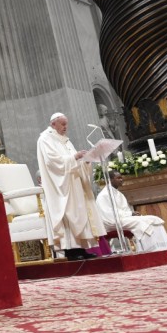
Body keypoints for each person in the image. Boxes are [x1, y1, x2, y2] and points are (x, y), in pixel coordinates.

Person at [37, 112, 107, 261]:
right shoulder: (45, 139)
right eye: (63, 124)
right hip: (61, 186)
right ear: (53, 124)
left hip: (74, 182)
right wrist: (75, 157)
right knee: (68, 213)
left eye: (66, 124)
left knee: (80, 213)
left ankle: (82, 248)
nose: (65, 127)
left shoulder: (66, 140)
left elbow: (74, 161)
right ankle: (71, 251)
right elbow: (52, 162)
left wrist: (85, 161)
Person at [96, 171, 167, 254]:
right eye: (118, 178)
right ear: (110, 180)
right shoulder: (103, 195)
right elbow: (108, 214)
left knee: (154, 219)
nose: (121, 180)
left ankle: (164, 249)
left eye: (121, 178)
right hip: (112, 222)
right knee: (143, 223)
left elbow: (125, 210)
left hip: (123, 218)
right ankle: (150, 252)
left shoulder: (119, 194)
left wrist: (131, 213)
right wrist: (130, 214)